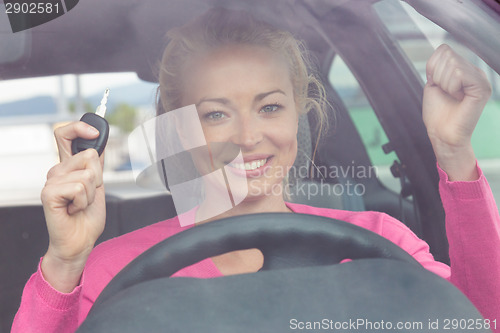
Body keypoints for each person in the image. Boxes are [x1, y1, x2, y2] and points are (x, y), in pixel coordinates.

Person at [12, 8, 500, 332]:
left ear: (300, 118)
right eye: (216, 114)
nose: (248, 137)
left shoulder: (383, 242)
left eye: (269, 107)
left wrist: (454, 150)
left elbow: (480, 320)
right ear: (178, 132)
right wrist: (65, 261)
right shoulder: (108, 270)